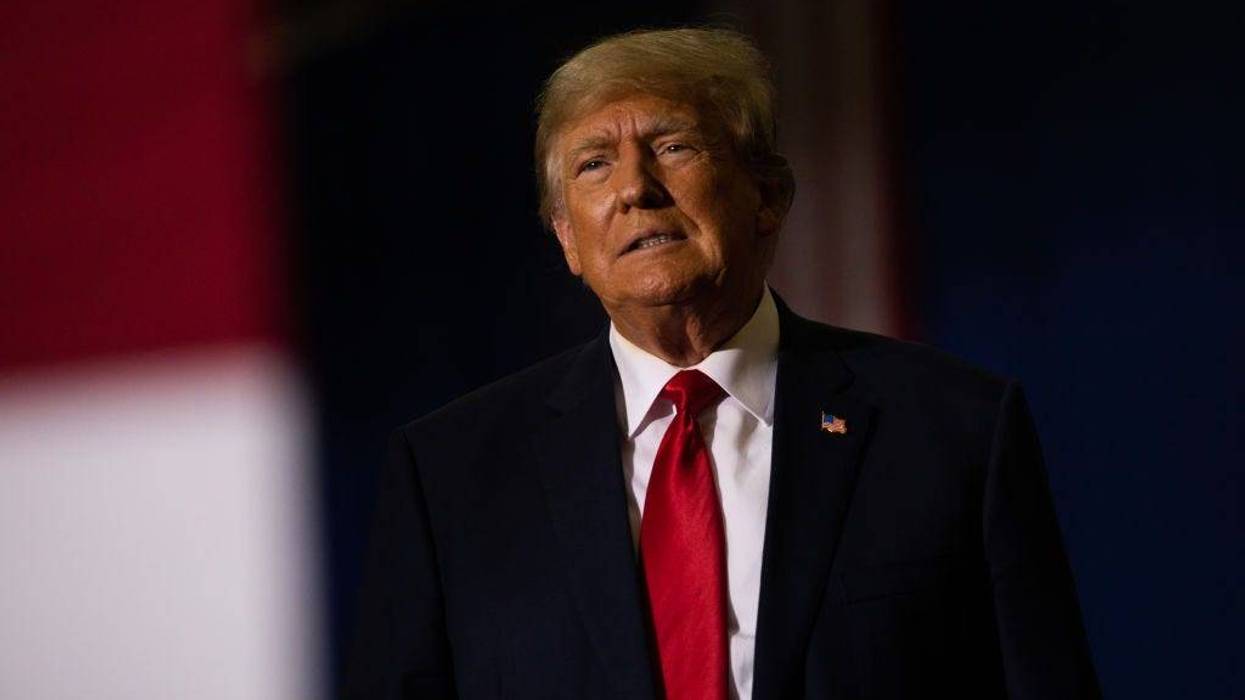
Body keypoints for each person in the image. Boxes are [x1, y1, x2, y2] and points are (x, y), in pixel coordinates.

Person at [345, 27, 1099, 700]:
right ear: (566, 239)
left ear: (766, 194)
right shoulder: (450, 474)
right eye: (594, 165)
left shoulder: (952, 429)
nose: (635, 189)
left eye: (672, 146)